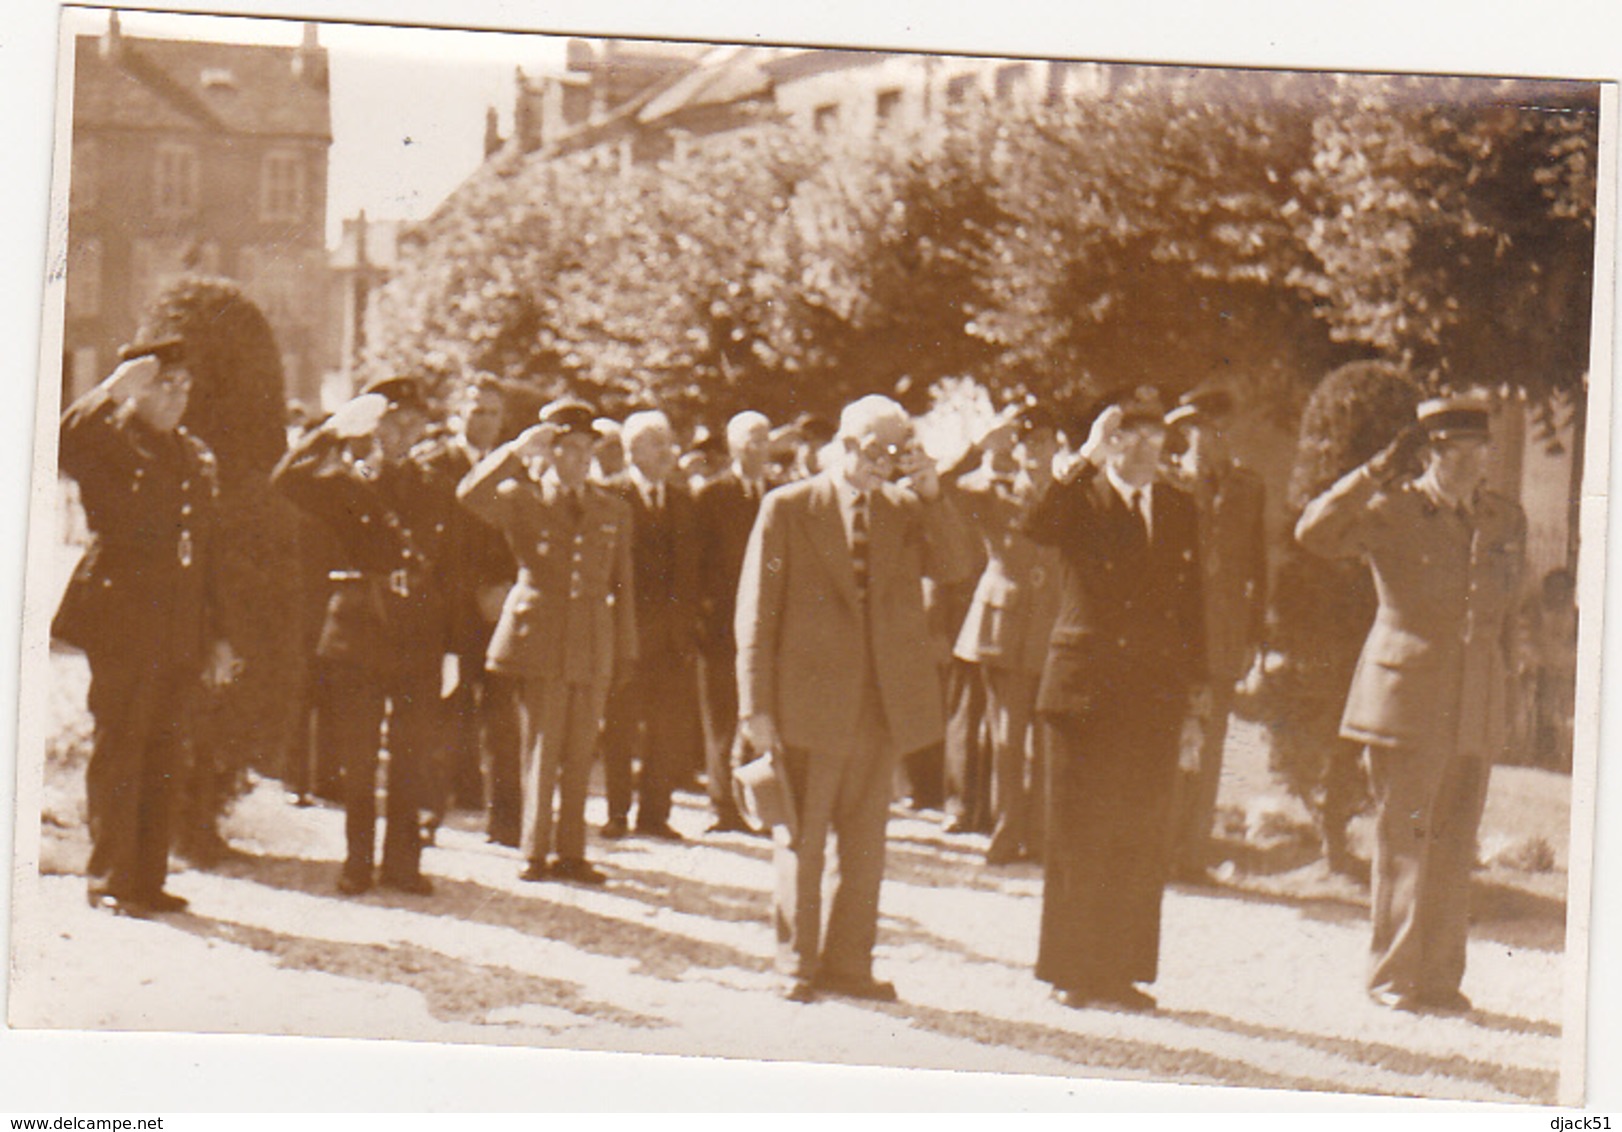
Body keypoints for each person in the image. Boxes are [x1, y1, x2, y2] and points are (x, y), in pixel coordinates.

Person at [734, 394, 970, 1003]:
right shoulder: (788, 507)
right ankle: (797, 964)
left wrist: (932, 491)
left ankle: (849, 964)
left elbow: (955, 565)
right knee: (803, 839)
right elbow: (757, 613)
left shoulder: (903, 507)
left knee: (865, 847)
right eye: (874, 453)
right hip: (807, 700)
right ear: (843, 445)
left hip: (880, 701)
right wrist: (753, 706)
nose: (882, 466)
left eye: (895, 454)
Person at [1295, 393, 1525, 1013]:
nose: (1473, 464)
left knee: (1456, 841)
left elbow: (1506, 612)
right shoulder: (1392, 509)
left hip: (1475, 696)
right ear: (1429, 454)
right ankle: (1393, 978)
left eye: (1480, 451)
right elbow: (1313, 532)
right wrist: (1371, 472)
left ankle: (1441, 979)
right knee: (1406, 840)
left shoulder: (1503, 518)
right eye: (1459, 452)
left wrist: (1507, 688)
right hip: (1407, 695)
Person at [1026, 386, 1205, 1012]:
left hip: (1151, 691)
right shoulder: (1083, 496)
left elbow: (1191, 609)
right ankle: (1072, 969)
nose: (1150, 447)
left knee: (1137, 829)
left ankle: (1122, 970)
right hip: (1085, 686)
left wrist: (1193, 704)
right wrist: (1084, 459)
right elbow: (1036, 527)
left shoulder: (1179, 508)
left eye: (1158, 435)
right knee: (1080, 828)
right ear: (1112, 441)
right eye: (1133, 434)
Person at [53, 335, 239, 918]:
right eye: (165, 385)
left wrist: (219, 634)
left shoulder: (190, 454)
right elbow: (63, 440)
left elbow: (206, 551)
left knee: (163, 747)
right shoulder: (109, 438)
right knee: (122, 743)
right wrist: (112, 391)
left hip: (180, 624)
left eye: (185, 387)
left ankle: (148, 878)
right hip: (124, 618)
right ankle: (110, 877)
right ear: (136, 388)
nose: (177, 397)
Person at [272, 375, 453, 897]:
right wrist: (331, 432)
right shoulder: (345, 482)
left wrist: (456, 647)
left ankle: (403, 863)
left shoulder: (432, 483)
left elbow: (450, 567)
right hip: (361, 629)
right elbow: (284, 481)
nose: (404, 433)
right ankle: (357, 860)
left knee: (411, 752)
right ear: (374, 428)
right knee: (357, 755)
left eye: (413, 424)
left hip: (419, 631)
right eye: (394, 423)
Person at [458, 397, 637, 886]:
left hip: (592, 639)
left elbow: (624, 586)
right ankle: (534, 850)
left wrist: (625, 650)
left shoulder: (612, 508)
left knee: (581, 749)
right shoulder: (522, 497)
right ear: (551, 451)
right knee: (541, 744)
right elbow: (470, 496)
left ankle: (572, 852)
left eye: (587, 450)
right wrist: (518, 450)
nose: (581, 460)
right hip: (541, 638)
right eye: (570, 449)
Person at [1163, 387, 1268, 882]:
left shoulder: (1248, 486)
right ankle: (1158, 847)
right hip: (1172, 635)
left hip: (1222, 635)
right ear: (1185, 434)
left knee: (1211, 746)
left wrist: (1252, 635)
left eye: (1218, 431)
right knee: (1167, 740)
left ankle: (1192, 853)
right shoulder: (1169, 484)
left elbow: (1256, 565)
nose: (1209, 441)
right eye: (1199, 431)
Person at [950, 404, 1063, 864]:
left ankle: (1040, 834)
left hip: (1052, 623)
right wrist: (979, 446)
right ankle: (1007, 829)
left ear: (1058, 445)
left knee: (1048, 737)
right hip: (1006, 624)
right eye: (1027, 442)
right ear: (1015, 447)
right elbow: (940, 489)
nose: (1035, 451)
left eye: (1045, 442)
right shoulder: (992, 492)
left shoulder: (1069, 493)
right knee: (1006, 737)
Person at [600, 409, 702, 842]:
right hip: (627, 634)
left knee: (668, 727)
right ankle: (618, 811)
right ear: (633, 450)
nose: (668, 452)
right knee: (620, 724)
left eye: (670, 442)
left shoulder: (683, 500)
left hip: (674, 638)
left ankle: (655, 813)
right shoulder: (609, 495)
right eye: (658, 443)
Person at [429, 377, 522, 846]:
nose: (484, 421)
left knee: (503, 718)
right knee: (445, 712)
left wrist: (504, 586)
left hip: (496, 612)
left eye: (492, 412)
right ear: (456, 414)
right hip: (448, 614)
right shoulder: (435, 465)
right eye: (476, 411)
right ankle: (428, 817)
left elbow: (520, 537)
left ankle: (505, 821)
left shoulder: (513, 471)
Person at [693, 410, 775, 834]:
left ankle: (762, 804)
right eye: (750, 441)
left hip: (769, 623)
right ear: (732, 447)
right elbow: (694, 565)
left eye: (764, 440)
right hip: (721, 625)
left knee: (763, 711)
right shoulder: (710, 497)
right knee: (722, 716)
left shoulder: (782, 495)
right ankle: (723, 806)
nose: (758, 449)